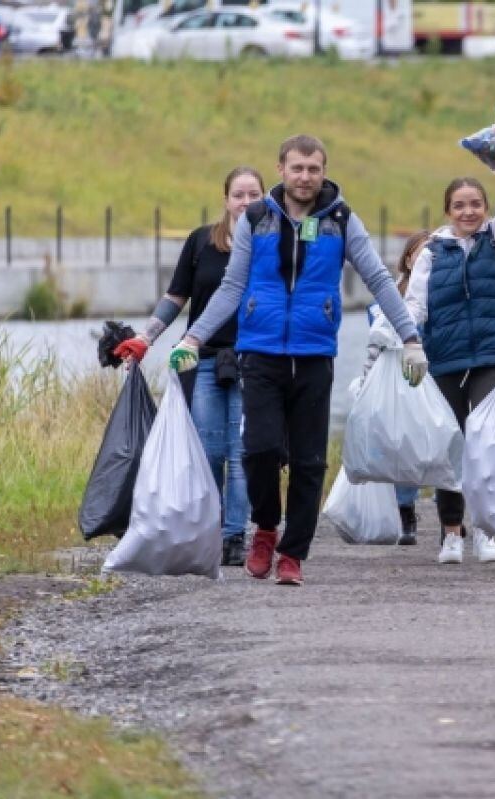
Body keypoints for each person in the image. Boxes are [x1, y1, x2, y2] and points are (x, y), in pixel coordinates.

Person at [167, 134, 427, 587]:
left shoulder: (341, 221)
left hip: (313, 354)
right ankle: (266, 526)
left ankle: (293, 553)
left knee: (309, 462)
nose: (305, 176)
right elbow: (232, 287)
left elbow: (379, 279)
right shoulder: (257, 218)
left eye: (313, 168)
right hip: (261, 352)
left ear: (323, 171)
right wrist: (192, 338)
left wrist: (410, 337)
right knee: (260, 450)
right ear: (282, 170)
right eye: (297, 168)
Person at [113, 166, 264, 567]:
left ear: (265, 198)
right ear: (226, 199)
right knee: (207, 452)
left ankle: (235, 535)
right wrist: (146, 338)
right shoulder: (201, 243)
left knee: (242, 452)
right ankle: (208, 529)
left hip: (253, 361)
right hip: (205, 358)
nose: (246, 202)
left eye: (254, 195)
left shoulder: (270, 243)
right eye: (238, 195)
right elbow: (176, 296)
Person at [405, 142, 495, 565]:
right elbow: (415, 306)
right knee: (451, 449)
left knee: (489, 447)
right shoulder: (431, 253)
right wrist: (404, 342)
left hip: (492, 359)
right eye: (459, 205)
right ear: (447, 211)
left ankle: (485, 531)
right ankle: (452, 533)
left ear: (487, 208)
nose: (468, 212)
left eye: (476, 204)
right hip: (445, 361)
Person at [358, 229, 431, 546]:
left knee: (429, 446)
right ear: (408, 257)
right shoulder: (387, 299)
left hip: (430, 378)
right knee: (395, 446)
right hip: (395, 381)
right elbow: (374, 345)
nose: (427, 258)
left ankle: (434, 511)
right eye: (420, 251)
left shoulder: (443, 294)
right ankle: (400, 509)